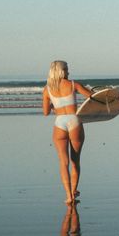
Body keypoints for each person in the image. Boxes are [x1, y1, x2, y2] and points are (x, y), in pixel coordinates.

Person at [42, 61, 92, 204]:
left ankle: (69, 196)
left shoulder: (47, 90)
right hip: (74, 121)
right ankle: (74, 190)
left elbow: (45, 112)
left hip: (59, 123)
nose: (69, 72)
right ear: (62, 71)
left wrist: (54, 105)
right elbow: (92, 97)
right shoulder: (73, 84)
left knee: (63, 163)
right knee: (75, 161)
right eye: (67, 69)